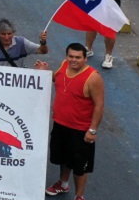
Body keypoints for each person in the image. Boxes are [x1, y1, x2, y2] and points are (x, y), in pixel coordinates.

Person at [45, 43, 106, 199]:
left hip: (80, 130)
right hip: (60, 124)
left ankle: (79, 196)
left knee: (80, 167)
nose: (74, 60)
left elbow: (99, 105)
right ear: (66, 56)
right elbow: (55, 79)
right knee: (63, 158)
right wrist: (44, 72)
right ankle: (63, 184)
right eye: (71, 56)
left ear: (85, 58)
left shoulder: (93, 78)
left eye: (78, 57)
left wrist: (92, 130)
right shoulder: (63, 66)